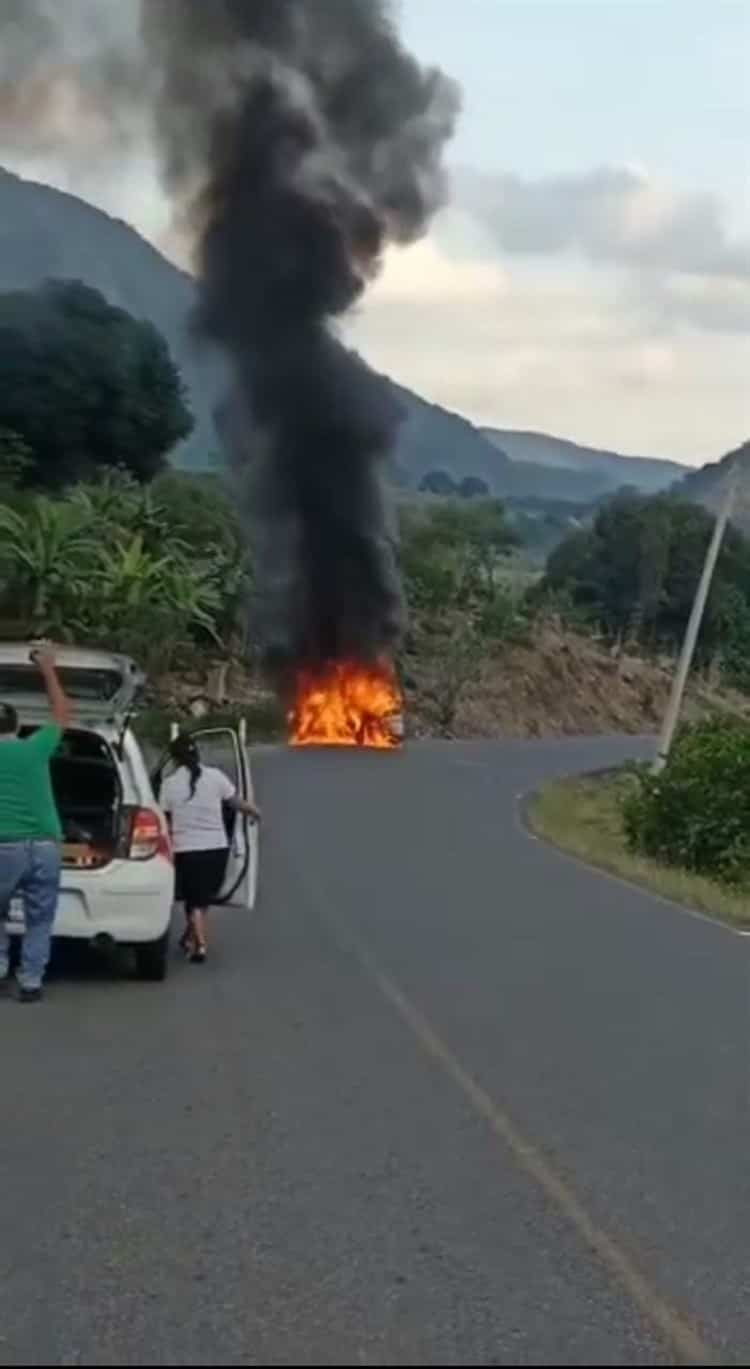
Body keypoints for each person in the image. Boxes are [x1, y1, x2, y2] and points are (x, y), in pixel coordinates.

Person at [0, 645, 71, 1002]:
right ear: (17, 726)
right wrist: (48, 669)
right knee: (39, 919)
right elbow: (62, 713)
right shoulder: (36, 747)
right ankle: (30, 982)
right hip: (44, 848)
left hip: (3, 847)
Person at [159, 734, 260, 963]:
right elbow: (235, 802)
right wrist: (254, 811)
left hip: (186, 849)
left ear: (175, 760)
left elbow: (164, 818)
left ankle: (199, 942)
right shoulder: (215, 777)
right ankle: (194, 939)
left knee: (194, 898)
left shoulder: (169, 784)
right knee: (203, 897)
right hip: (216, 849)